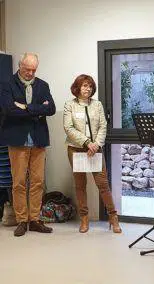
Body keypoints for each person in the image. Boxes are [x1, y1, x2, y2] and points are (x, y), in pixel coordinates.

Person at [0, 53, 55, 237]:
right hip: (17, 140)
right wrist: (38, 109)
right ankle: (22, 220)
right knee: (19, 183)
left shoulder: (43, 85)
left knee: (38, 182)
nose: (30, 73)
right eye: (27, 69)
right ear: (20, 65)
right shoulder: (7, 84)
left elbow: (51, 108)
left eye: (34, 70)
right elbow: (9, 110)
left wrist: (25, 107)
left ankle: (34, 219)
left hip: (38, 139)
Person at [63, 74, 121, 234]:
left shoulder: (97, 105)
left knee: (103, 185)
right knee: (80, 186)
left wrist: (96, 144)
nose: (87, 88)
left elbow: (103, 125)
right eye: (83, 86)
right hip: (76, 149)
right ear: (77, 88)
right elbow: (68, 128)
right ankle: (84, 218)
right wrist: (87, 143)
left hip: (95, 149)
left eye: (89, 86)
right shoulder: (70, 105)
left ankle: (113, 217)